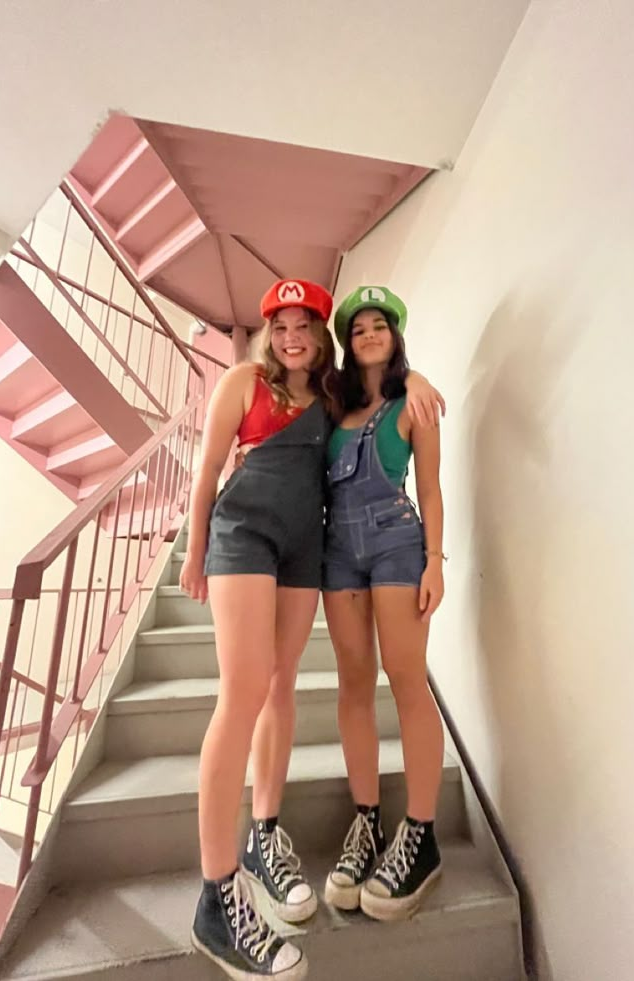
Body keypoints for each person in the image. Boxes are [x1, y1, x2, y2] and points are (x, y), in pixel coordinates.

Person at [179, 279, 443, 980]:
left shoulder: (332, 397)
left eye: (307, 326)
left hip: (309, 550)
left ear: (321, 336)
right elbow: (206, 468)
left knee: (281, 683)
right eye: (281, 326)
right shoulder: (242, 380)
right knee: (240, 695)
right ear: (268, 333)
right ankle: (217, 892)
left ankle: (265, 834)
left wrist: (412, 372)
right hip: (246, 536)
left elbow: (380, 388)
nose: (293, 336)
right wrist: (194, 546)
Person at [322, 286, 446, 922]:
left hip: (398, 545)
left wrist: (434, 561)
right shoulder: (332, 404)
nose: (370, 333)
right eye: (360, 327)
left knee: (405, 679)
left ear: (396, 335)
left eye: (381, 325)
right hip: (337, 552)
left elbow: (429, 487)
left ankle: (420, 834)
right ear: (348, 340)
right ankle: (367, 821)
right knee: (352, 684)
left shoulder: (413, 402)